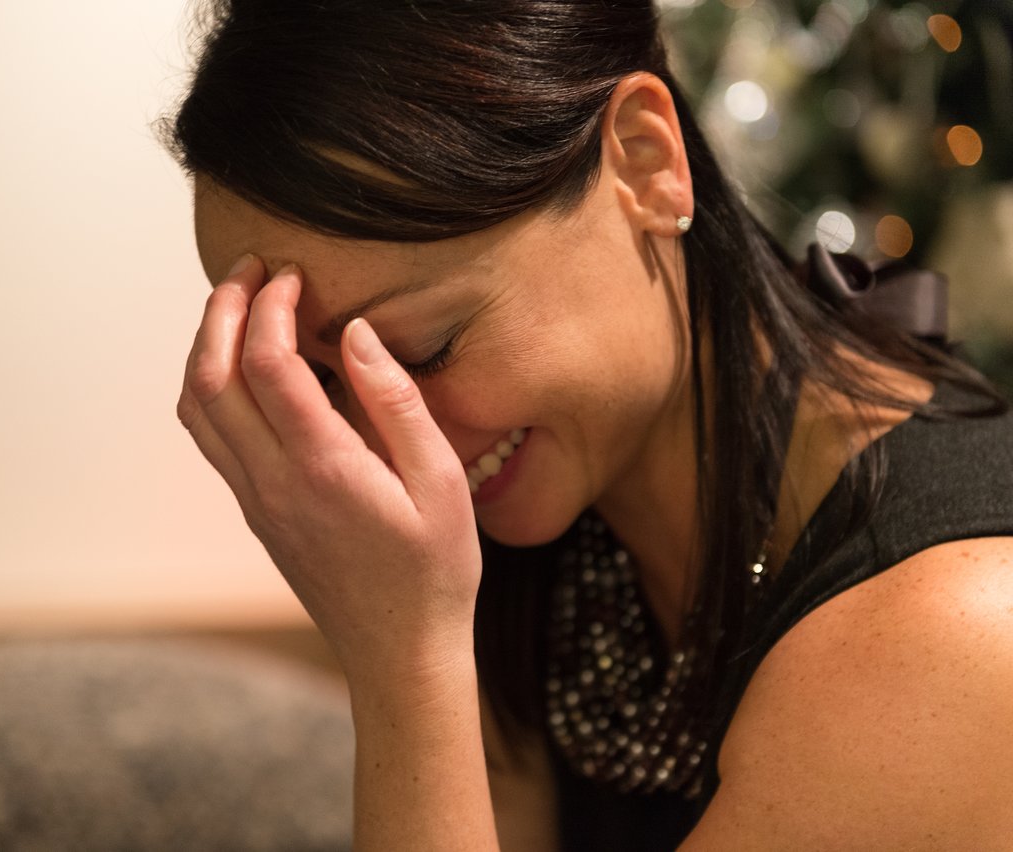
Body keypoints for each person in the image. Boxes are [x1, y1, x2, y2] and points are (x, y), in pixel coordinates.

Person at [166, 0, 1013, 848]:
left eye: (422, 352)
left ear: (645, 162)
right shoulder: (525, 528)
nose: (383, 447)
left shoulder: (945, 633)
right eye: (318, 382)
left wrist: (404, 661)